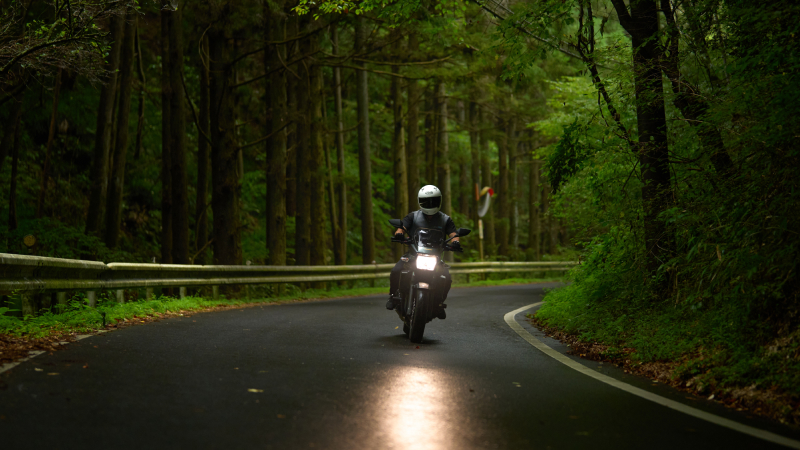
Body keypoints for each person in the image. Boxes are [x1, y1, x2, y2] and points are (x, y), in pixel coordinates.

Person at [387, 185, 461, 320]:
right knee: (396, 270)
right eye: (427, 201)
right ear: (420, 201)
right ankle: (393, 297)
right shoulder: (413, 216)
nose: (430, 204)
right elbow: (402, 227)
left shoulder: (445, 219)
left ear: (439, 200)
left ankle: (438, 304)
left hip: (435, 257)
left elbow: (453, 233)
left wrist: (455, 241)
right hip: (414, 254)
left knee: (447, 278)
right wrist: (399, 233)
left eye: (433, 200)